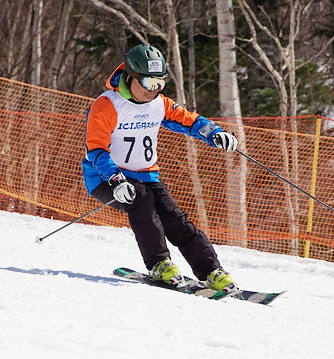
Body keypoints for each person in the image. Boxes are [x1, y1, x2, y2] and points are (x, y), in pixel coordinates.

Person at [81, 44, 239, 292]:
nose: (152, 90)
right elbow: (96, 149)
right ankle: (159, 264)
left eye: (159, 84)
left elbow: (190, 121)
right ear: (130, 76)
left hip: (147, 176)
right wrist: (115, 179)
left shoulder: (159, 104)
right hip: (106, 179)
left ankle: (212, 271)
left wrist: (215, 133)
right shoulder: (106, 105)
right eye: (147, 83)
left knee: (175, 220)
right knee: (141, 200)